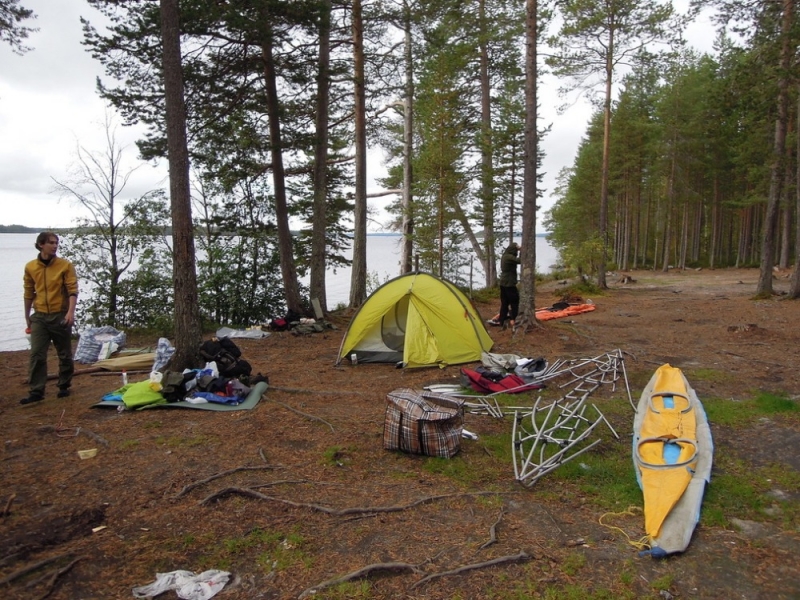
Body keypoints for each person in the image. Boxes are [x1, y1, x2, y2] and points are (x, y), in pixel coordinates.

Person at [20, 232, 79, 405]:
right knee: (37, 354)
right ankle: (36, 391)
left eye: (56, 243)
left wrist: (70, 312)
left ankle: (64, 385)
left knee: (64, 353)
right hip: (39, 316)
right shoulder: (31, 267)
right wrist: (27, 317)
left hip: (59, 314)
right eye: (51, 243)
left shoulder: (65, 266)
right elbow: (28, 292)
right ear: (40, 245)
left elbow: (72, 290)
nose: (55, 246)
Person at [487, 242, 521, 330]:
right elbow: (520, 261)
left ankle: (501, 320)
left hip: (504, 282)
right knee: (514, 301)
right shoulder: (509, 257)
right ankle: (514, 319)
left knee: (505, 303)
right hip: (509, 283)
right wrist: (521, 251)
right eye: (516, 249)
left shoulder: (506, 255)